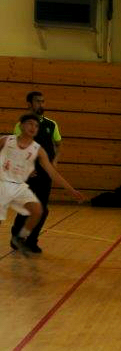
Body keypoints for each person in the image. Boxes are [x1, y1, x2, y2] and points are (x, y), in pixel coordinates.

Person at [4, 114, 84, 253]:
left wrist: (71, 190)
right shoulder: (7, 141)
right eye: (30, 124)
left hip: (20, 184)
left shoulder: (38, 150)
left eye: (36, 125)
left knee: (39, 211)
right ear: (21, 126)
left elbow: (53, 173)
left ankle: (22, 239)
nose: (33, 128)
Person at [10, 91, 62, 253]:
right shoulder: (21, 125)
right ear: (29, 104)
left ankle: (32, 240)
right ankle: (17, 236)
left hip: (46, 173)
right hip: (28, 174)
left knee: (43, 209)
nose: (41, 104)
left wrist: (54, 161)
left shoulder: (51, 124)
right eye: (37, 101)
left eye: (43, 101)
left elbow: (58, 144)